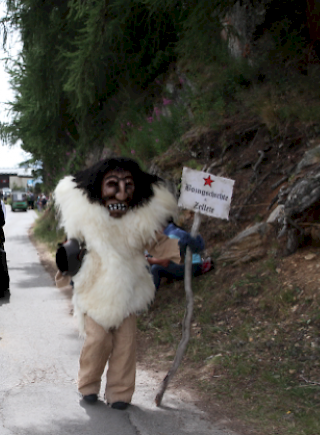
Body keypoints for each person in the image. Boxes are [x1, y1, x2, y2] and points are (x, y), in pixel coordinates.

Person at [53, 157, 178, 410]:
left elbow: (159, 242)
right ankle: (87, 383)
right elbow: (70, 247)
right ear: (98, 187)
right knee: (97, 340)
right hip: (94, 290)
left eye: (128, 185)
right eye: (113, 185)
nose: (121, 193)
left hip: (130, 291)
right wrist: (66, 267)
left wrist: (180, 250)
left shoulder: (140, 221)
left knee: (125, 345)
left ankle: (120, 393)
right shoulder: (86, 219)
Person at [148, 222, 212, 290]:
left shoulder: (172, 235)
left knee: (156, 268)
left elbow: (165, 262)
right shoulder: (172, 232)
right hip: (190, 264)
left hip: (195, 266)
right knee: (151, 264)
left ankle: (149, 297)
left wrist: (148, 260)